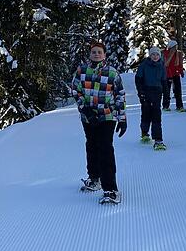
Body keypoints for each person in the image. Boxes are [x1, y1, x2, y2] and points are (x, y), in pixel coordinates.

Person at [70, 41, 126, 205]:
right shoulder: (81, 71)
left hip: (107, 116)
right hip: (88, 117)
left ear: (104, 55)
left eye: (99, 52)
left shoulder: (112, 73)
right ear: (90, 54)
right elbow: (75, 90)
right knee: (92, 145)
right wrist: (84, 109)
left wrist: (122, 119)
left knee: (105, 149)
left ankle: (111, 189)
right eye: (93, 52)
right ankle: (95, 178)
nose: (96, 54)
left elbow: (119, 96)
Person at [135, 46, 168, 150]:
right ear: (150, 55)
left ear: (160, 56)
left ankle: (158, 139)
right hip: (146, 92)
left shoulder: (161, 66)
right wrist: (141, 92)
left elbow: (164, 81)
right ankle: (144, 132)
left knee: (156, 115)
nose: (155, 56)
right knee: (146, 113)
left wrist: (166, 95)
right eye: (153, 54)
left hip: (157, 93)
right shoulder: (144, 65)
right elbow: (138, 79)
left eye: (157, 54)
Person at [163, 40, 186, 112]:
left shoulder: (178, 53)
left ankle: (179, 106)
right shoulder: (166, 53)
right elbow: (166, 65)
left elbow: (180, 63)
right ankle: (165, 106)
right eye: (175, 46)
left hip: (176, 74)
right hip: (168, 74)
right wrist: (169, 75)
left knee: (178, 90)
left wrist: (181, 71)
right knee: (167, 91)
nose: (176, 47)